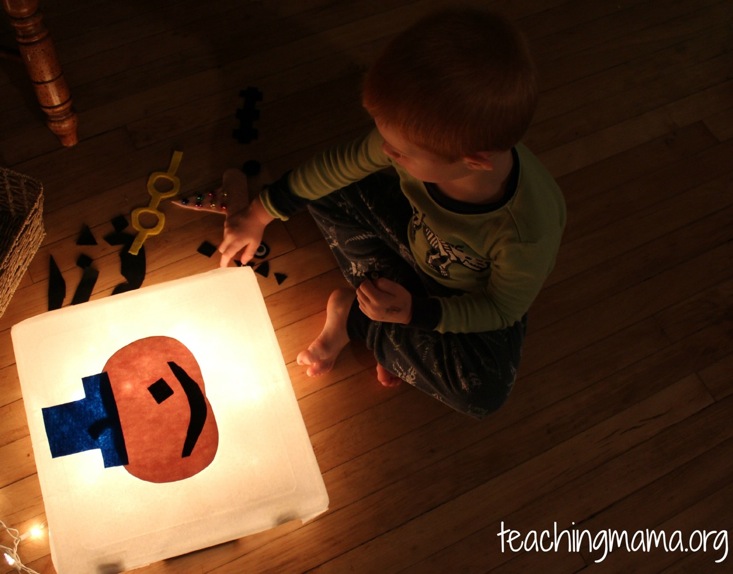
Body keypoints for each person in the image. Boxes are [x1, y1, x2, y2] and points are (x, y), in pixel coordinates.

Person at [201, 9, 565, 419]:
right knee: (325, 185)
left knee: (481, 390)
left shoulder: (524, 232)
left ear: (474, 162)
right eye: (386, 139)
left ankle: (359, 319)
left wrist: (413, 312)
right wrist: (260, 212)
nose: (386, 152)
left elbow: (500, 310)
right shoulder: (426, 142)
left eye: (400, 153)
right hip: (413, 241)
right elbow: (343, 164)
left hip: (466, 295)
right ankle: (388, 328)